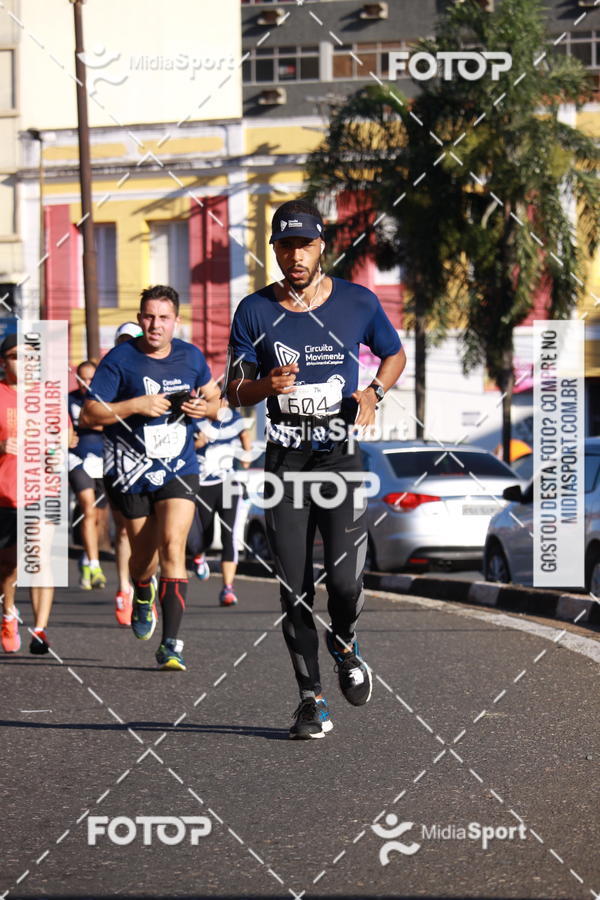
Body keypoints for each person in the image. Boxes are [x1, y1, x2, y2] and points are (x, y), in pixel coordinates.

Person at [226, 199, 406, 739]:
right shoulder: (254, 311)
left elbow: (393, 354)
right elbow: (235, 390)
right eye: (284, 246)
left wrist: (374, 391)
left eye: (303, 245)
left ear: (321, 245)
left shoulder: (357, 302)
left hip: (339, 458)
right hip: (285, 460)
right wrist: (265, 386)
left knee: (346, 584)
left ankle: (346, 643)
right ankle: (311, 700)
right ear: (275, 251)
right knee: (295, 586)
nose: (294, 256)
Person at [81, 285, 221, 671]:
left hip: (179, 466)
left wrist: (202, 407)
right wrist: (135, 405)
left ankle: (172, 644)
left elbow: (216, 402)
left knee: (174, 545)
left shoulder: (191, 356)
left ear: (176, 320)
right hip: (129, 471)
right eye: (148, 316)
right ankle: (143, 590)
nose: (154, 324)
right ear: (140, 318)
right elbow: (89, 416)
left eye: (163, 318)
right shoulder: (119, 360)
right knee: (144, 559)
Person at [0, 333, 63, 655]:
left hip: (42, 489)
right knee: (9, 565)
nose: (23, 362)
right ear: (4, 362)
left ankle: (40, 629)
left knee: (39, 558)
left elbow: (66, 435)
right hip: (4, 494)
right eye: (14, 355)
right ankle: (9, 612)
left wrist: (59, 451)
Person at [187, 400, 253, 606]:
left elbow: (244, 433)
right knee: (205, 534)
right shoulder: (195, 418)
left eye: (223, 398)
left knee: (229, 534)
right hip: (202, 485)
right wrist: (196, 444)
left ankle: (228, 588)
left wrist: (246, 452)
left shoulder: (233, 418)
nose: (221, 401)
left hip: (227, 484)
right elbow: (182, 448)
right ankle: (198, 555)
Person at [108, 322, 143, 626]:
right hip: (118, 458)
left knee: (150, 532)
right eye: (123, 340)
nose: (127, 344)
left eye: (133, 340)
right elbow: (94, 411)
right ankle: (124, 588)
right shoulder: (111, 369)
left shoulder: (153, 367)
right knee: (123, 528)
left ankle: (145, 584)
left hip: (152, 458)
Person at [68, 361, 108, 591]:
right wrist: (67, 435)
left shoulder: (105, 398)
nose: (86, 384)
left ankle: (86, 556)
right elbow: (61, 426)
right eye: (82, 379)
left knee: (98, 519)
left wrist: (94, 423)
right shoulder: (69, 399)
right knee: (88, 507)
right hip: (77, 459)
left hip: (103, 460)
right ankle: (94, 565)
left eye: (91, 379)